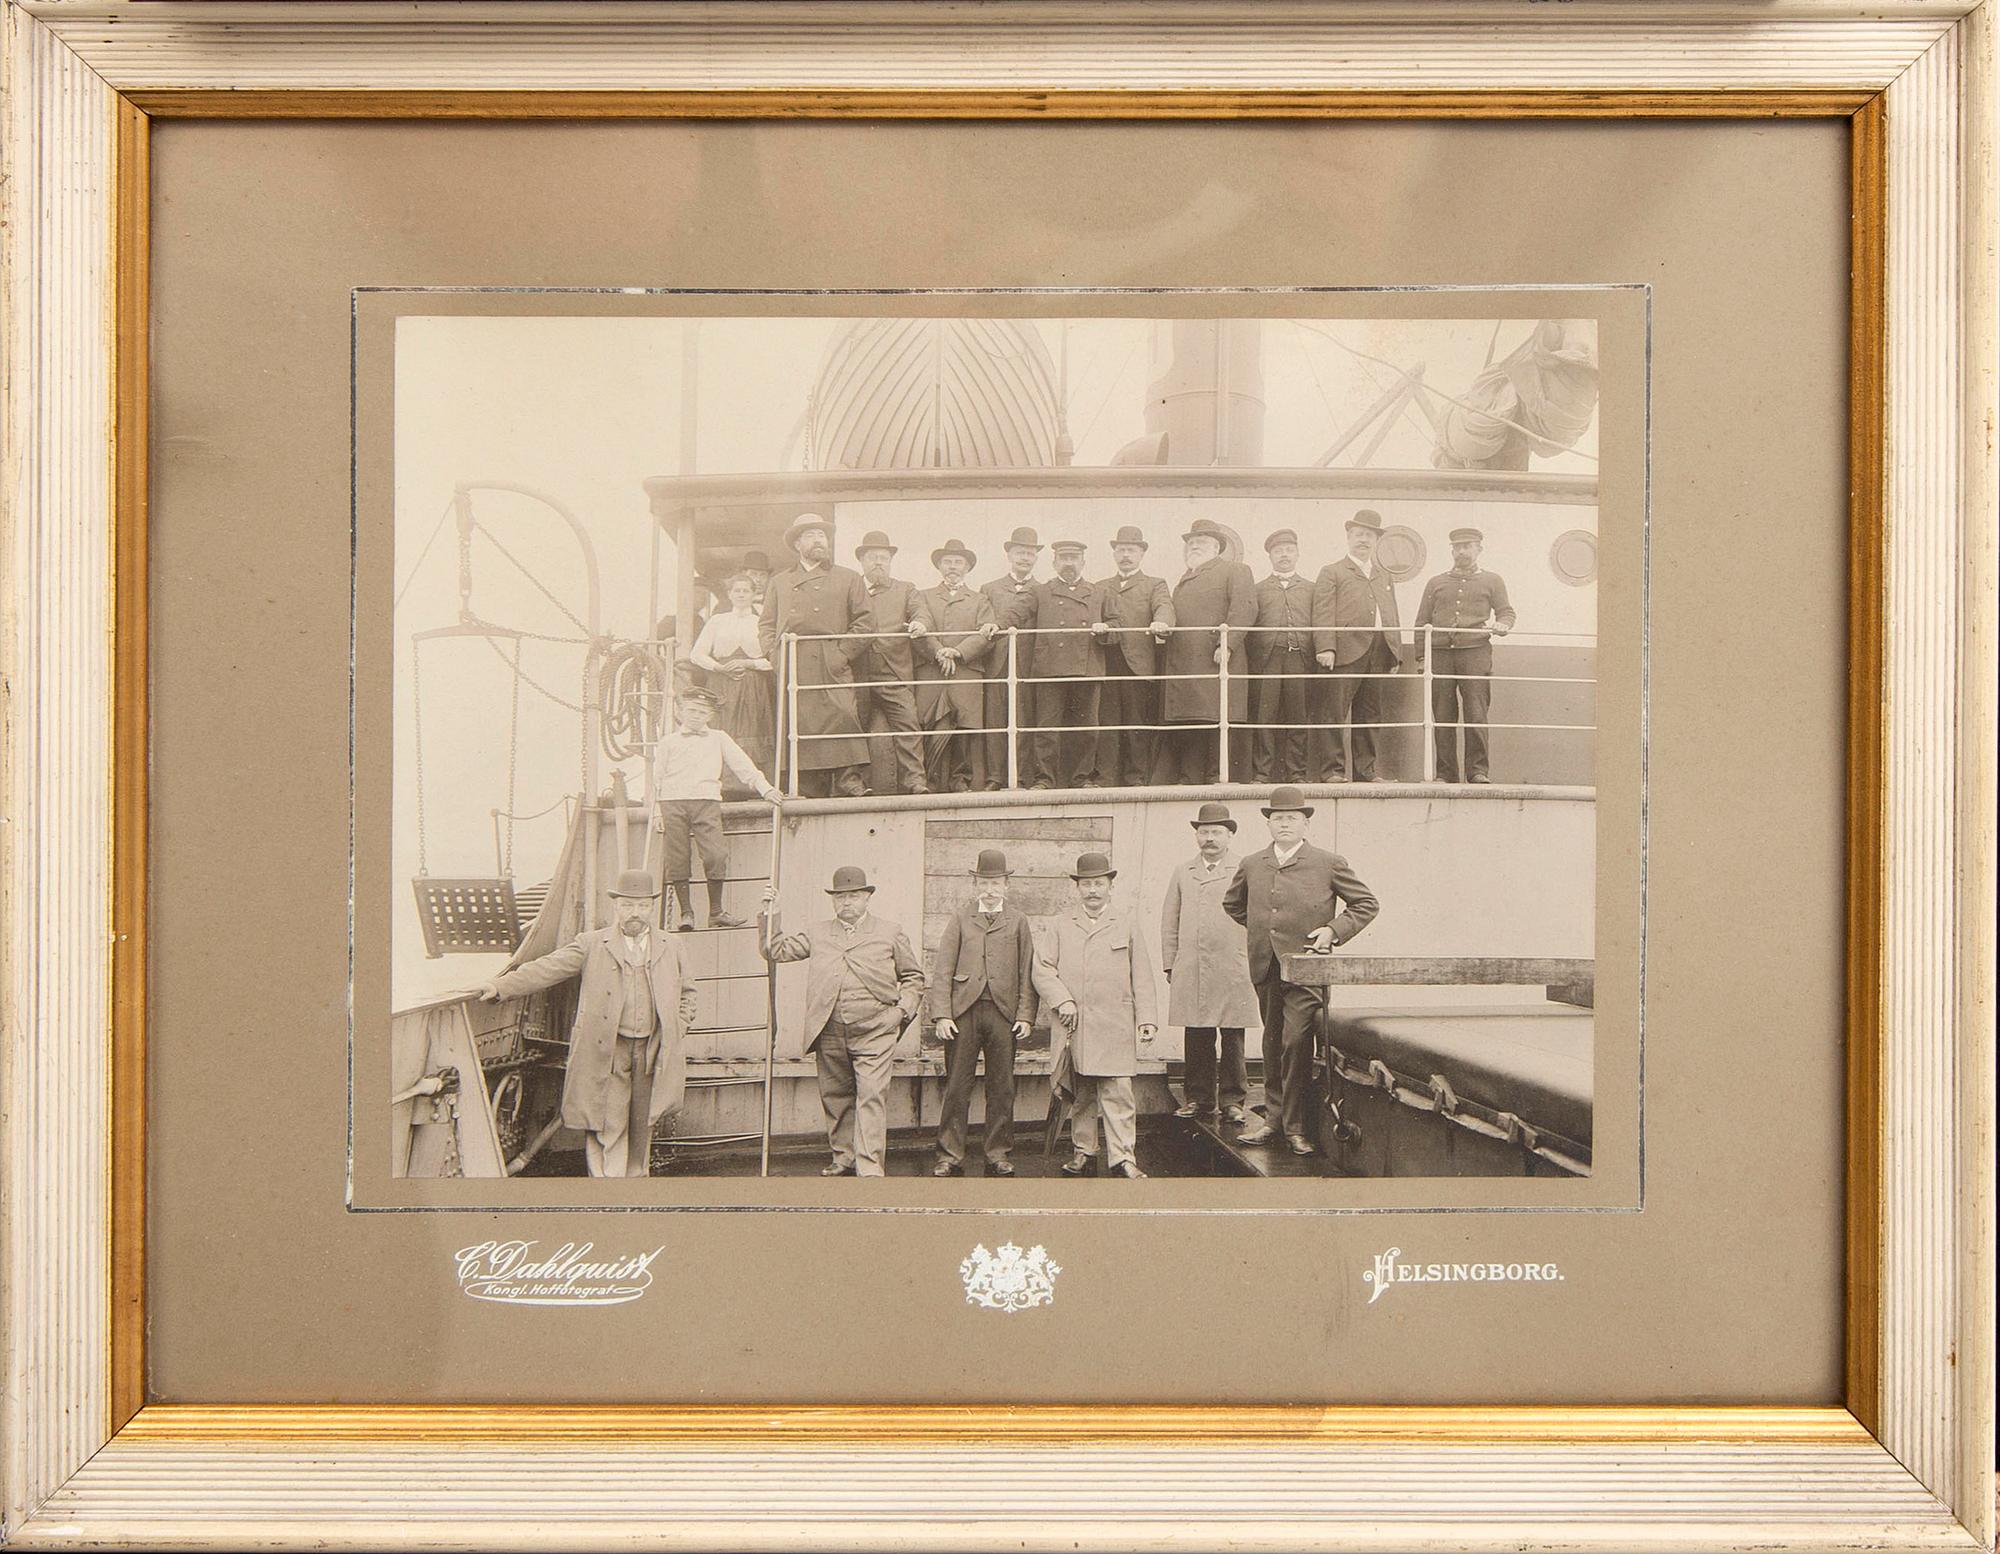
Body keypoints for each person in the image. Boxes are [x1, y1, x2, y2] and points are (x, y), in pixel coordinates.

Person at [477, 869, 696, 1178]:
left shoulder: (671, 946)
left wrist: (677, 1026)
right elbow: (547, 968)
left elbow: (688, 993)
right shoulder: (592, 944)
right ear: (616, 906)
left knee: (644, 1120)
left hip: (653, 1049)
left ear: (651, 908)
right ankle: (607, 1187)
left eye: (642, 906)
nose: (635, 913)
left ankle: (636, 1184)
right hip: (608, 1048)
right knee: (606, 1120)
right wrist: (500, 986)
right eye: (628, 905)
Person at [1222, 786, 1379, 1156]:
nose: (1284, 824)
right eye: (1278, 818)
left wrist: (1331, 931)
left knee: (1296, 1044)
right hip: (1267, 966)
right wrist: (1265, 933)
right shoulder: (1252, 864)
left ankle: (1295, 1128)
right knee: (1272, 1042)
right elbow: (1233, 904)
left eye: (1292, 818)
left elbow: (1366, 903)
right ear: (1269, 824)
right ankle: (1273, 1122)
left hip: (1307, 969)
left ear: (1305, 824)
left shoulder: (1329, 862)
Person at [760, 866, 926, 1177]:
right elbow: (775, 950)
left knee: (871, 1096)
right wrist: (772, 913)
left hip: (876, 1030)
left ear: (867, 898)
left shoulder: (889, 932)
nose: (846, 902)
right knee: (835, 1097)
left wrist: (901, 1012)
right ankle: (843, 1157)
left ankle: (870, 1166)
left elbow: (914, 977)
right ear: (833, 901)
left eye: (853, 896)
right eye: (840, 897)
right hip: (830, 1030)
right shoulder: (818, 932)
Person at [1032, 852, 1159, 1180]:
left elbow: (1142, 975)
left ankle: (1123, 1158)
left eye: (1098, 884)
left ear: (1110, 886)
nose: (1092, 890)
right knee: (1081, 1093)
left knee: (1118, 1093)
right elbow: (1042, 969)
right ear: (1077, 887)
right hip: (1074, 1025)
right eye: (1086, 884)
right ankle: (1083, 1152)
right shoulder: (1060, 925)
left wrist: (1147, 1018)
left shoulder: (1126, 923)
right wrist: (1063, 1000)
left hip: (1115, 1025)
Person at [927, 848, 1038, 1178]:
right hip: (964, 1013)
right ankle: (950, 1154)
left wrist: (1025, 1015)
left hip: (1004, 1014)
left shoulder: (1018, 921)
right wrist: (942, 1014)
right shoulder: (961, 918)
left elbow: (1027, 970)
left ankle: (998, 1153)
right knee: (957, 1086)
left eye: (996, 883)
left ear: (1006, 885)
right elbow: (943, 968)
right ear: (975, 884)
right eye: (984, 883)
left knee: (1001, 1087)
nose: (990, 890)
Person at [758, 513, 872, 797]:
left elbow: (866, 622)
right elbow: (766, 625)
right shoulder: (780, 581)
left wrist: (842, 653)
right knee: (801, 721)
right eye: (811, 535)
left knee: (844, 713)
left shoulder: (848, 577)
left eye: (822, 535)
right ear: (797, 544)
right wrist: (774, 655)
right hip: (794, 659)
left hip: (832, 657)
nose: (819, 540)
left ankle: (848, 779)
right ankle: (807, 785)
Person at [651, 687, 782, 931]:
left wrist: (766, 789)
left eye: (702, 712)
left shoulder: (719, 738)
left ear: (710, 715)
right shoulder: (668, 742)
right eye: (691, 710)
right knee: (677, 857)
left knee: (716, 855)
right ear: (680, 712)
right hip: (672, 803)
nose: (696, 716)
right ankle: (686, 913)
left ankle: (716, 912)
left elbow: (743, 766)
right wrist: (657, 811)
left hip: (706, 803)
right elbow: (656, 779)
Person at [1159, 801, 1258, 1123]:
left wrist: (1254, 961)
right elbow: (1170, 920)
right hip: (1193, 964)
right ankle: (1198, 1099)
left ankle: (1233, 1101)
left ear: (1229, 836)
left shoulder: (1244, 869)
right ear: (1196, 836)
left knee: (1233, 1035)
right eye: (1204, 832)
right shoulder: (1183, 872)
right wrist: (1170, 962)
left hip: (1233, 964)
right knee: (1197, 1033)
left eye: (1216, 832)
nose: (1210, 838)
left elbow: (1257, 918)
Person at [1154, 518, 1256, 785]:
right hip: (1186, 664)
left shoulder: (1235, 570)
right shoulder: (1184, 579)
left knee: (1217, 718)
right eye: (1191, 543)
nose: (1194, 547)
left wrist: (1227, 644)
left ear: (1216, 547)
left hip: (1215, 659)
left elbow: (1244, 608)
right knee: (1192, 720)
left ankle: (1216, 777)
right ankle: (1190, 777)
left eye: (1200, 542)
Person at [1413, 527, 1517, 784]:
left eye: (1467, 546)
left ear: (1479, 549)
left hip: (1475, 654)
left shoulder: (1493, 580)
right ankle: (1445, 773)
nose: (1462, 551)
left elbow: (1506, 612)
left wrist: (1503, 625)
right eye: (1457, 547)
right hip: (1440, 656)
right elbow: (1422, 621)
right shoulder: (1436, 582)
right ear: (1452, 551)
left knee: (1476, 714)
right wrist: (1422, 658)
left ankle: (1477, 771)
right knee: (1442, 716)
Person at [1311, 509, 1405, 782]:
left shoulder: (1383, 575)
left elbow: (1392, 614)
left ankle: (1366, 772)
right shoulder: (1332, 571)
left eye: (1369, 536)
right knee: (1334, 712)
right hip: (1344, 651)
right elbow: (1323, 612)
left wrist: (1395, 654)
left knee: (1370, 713)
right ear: (1349, 538)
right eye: (1358, 534)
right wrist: (1326, 647)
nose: (1363, 540)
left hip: (1378, 651)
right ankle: (1333, 772)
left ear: (1376, 541)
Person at [908, 539, 996, 793]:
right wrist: (939, 651)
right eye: (948, 562)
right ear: (939, 566)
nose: (953, 567)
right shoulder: (923, 596)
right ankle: (929, 781)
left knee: (963, 728)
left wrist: (957, 652)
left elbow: (986, 635)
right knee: (929, 724)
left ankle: (960, 780)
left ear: (967, 567)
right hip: (932, 670)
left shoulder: (980, 599)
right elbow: (919, 628)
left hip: (965, 670)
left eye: (958, 562)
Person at [1091, 524, 1174, 788]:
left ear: (1141, 554)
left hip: (1138, 663)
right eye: (1121, 550)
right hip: (1107, 661)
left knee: (1137, 723)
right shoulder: (1100, 586)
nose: (1126, 555)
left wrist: (1162, 622)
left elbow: (1164, 606)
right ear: (1114, 554)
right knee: (1107, 722)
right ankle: (1105, 778)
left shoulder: (1154, 584)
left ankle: (1136, 778)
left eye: (1131, 550)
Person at [1026, 539, 1113, 788]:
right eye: (1063, 559)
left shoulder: (1099, 592)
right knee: (1047, 728)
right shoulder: (1040, 591)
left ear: (1083, 562)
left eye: (1073, 558)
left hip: (1087, 668)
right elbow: (1016, 612)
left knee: (1086, 728)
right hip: (1050, 667)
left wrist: (1105, 627)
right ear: (1054, 563)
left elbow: (1117, 623)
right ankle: (1045, 779)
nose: (1068, 564)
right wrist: (996, 624)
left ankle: (1081, 778)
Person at [851, 530, 929, 796]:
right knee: (853, 725)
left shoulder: (905, 589)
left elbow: (920, 611)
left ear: (890, 561)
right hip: (856, 672)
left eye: (883, 558)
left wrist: (920, 623)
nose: (878, 563)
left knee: (908, 724)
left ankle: (915, 781)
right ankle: (853, 784)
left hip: (893, 672)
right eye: (872, 557)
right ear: (862, 561)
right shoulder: (851, 588)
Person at [688, 572, 776, 782]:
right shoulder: (717, 621)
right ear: (729, 594)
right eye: (737, 590)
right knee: (722, 728)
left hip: (752, 686)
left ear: (754, 594)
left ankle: (750, 784)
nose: (741, 594)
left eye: (746, 591)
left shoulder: (761, 622)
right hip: (722, 684)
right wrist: (719, 668)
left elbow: (774, 660)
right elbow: (696, 655)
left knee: (752, 728)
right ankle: (722, 783)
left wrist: (749, 663)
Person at [978, 527, 1045, 790]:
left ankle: (1023, 776)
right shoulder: (990, 588)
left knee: (1025, 720)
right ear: (1009, 555)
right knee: (995, 721)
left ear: (1036, 557)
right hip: (996, 662)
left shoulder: (1044, 590)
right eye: (1020, 553)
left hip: (1029, 665)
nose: (1024, 558)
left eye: (1030, 553)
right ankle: (995, 777)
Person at [1247, 528, 1316, 783]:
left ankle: (1297, 773)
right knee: (1264, 717)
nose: (1284, 555)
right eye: (1278, 551)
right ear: (1270, 556)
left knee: (1298, 717)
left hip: (1300, 659)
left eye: (1289, 550)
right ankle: (1262, 773)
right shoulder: (1257, 589)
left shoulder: (1311, 588)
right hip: (1268, 660)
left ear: (1297, 554)